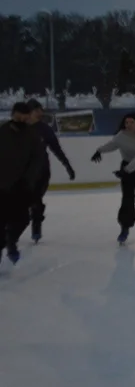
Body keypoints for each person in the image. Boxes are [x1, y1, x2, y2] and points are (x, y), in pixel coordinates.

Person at [91, 113, 135, 243]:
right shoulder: (121, 136)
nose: (128, 125)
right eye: (126, 123)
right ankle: (125, 227)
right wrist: (99, 150)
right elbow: (111, 145)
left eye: (131, 122)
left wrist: (126, 171)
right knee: (127, 198)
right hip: (127, 167)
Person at [24, 99, 75, 243]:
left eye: (41, 110)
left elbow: (56, 149)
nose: (40, 113)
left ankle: (36, 225)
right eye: (37, 110)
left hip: (42, 172)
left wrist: (67, 166)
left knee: (36, 200)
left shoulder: (45, 129)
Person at [1, 103, 43, 267]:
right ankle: (7, 246)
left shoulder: (32, 136)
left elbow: (37, 160)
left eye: (25, 116)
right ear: (13, 114)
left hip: (21, 186)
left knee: (23, 219)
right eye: (19, 116)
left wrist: (28, 181)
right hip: (1, 186)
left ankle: (11, 241)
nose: (22, 119)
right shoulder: (2, 132)